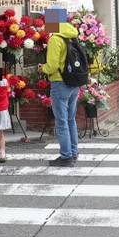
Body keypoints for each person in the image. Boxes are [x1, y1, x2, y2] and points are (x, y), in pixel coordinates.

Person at [41, 21, 80, 167]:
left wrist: (42, 68)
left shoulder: (55, 39)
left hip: (60, 82)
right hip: (74, 83)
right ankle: (74, 152)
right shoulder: (72, 36)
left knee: (62, 121)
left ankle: (66, 157)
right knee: (71, 119)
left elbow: (52, 66)